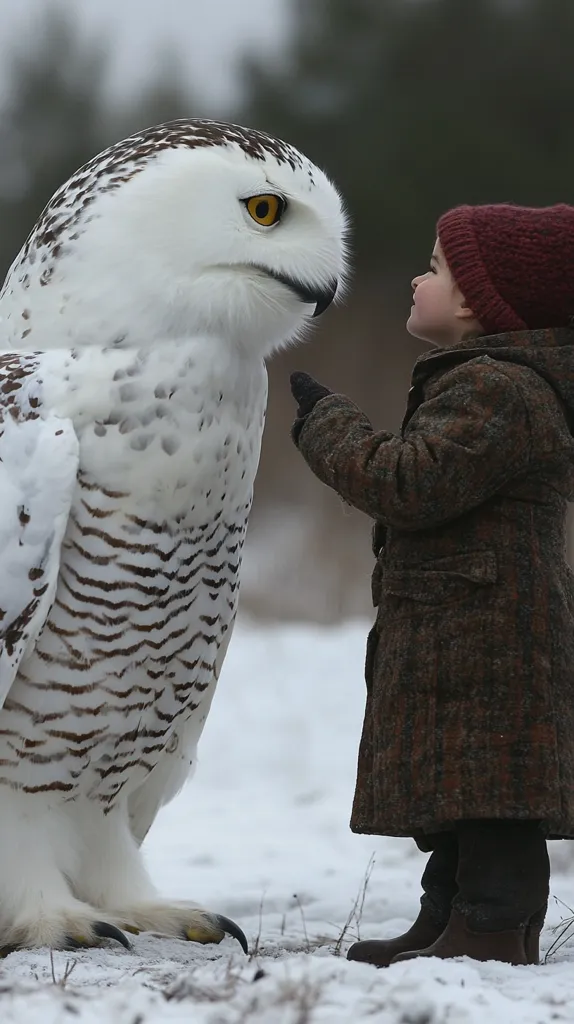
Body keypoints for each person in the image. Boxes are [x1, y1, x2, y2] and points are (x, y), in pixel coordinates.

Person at [289, 203, 574, 967]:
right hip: (466, 623)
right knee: (462, 782)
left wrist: (329, 425)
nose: (420, 279)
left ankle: (492, 923)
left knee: (493, 793)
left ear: (481, 303)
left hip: (493, 634)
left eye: (437, 268)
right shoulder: (486, 381)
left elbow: (409, 483)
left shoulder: (501, 391)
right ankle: (446, 914)